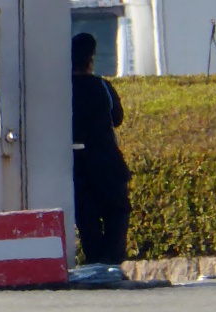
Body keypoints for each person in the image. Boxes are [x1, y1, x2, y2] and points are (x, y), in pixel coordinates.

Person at [71, 32, 132, 266]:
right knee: (117, 210)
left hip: (76, 161)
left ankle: (95, 259)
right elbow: (117, 118)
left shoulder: (62, 91)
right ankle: (112, 259)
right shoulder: (103, 87)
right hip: (106, 159)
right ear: (91, 60)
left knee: (86, 215)